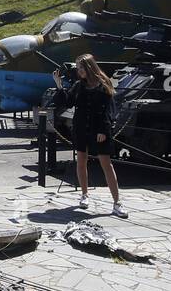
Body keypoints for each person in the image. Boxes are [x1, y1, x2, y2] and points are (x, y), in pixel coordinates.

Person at [52, 53, 127, 217]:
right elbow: (67, 102)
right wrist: (59, 85)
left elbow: (109, 110)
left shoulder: (103, 84)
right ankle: (84, 195)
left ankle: (117, 202)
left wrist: (103, 130)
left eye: (81, 68)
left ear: (89, 67)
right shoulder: (79, 85)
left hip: (99, 128)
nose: (79, 71)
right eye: (78, 68)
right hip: (81, 127)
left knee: (106, 163)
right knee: (81, 159)